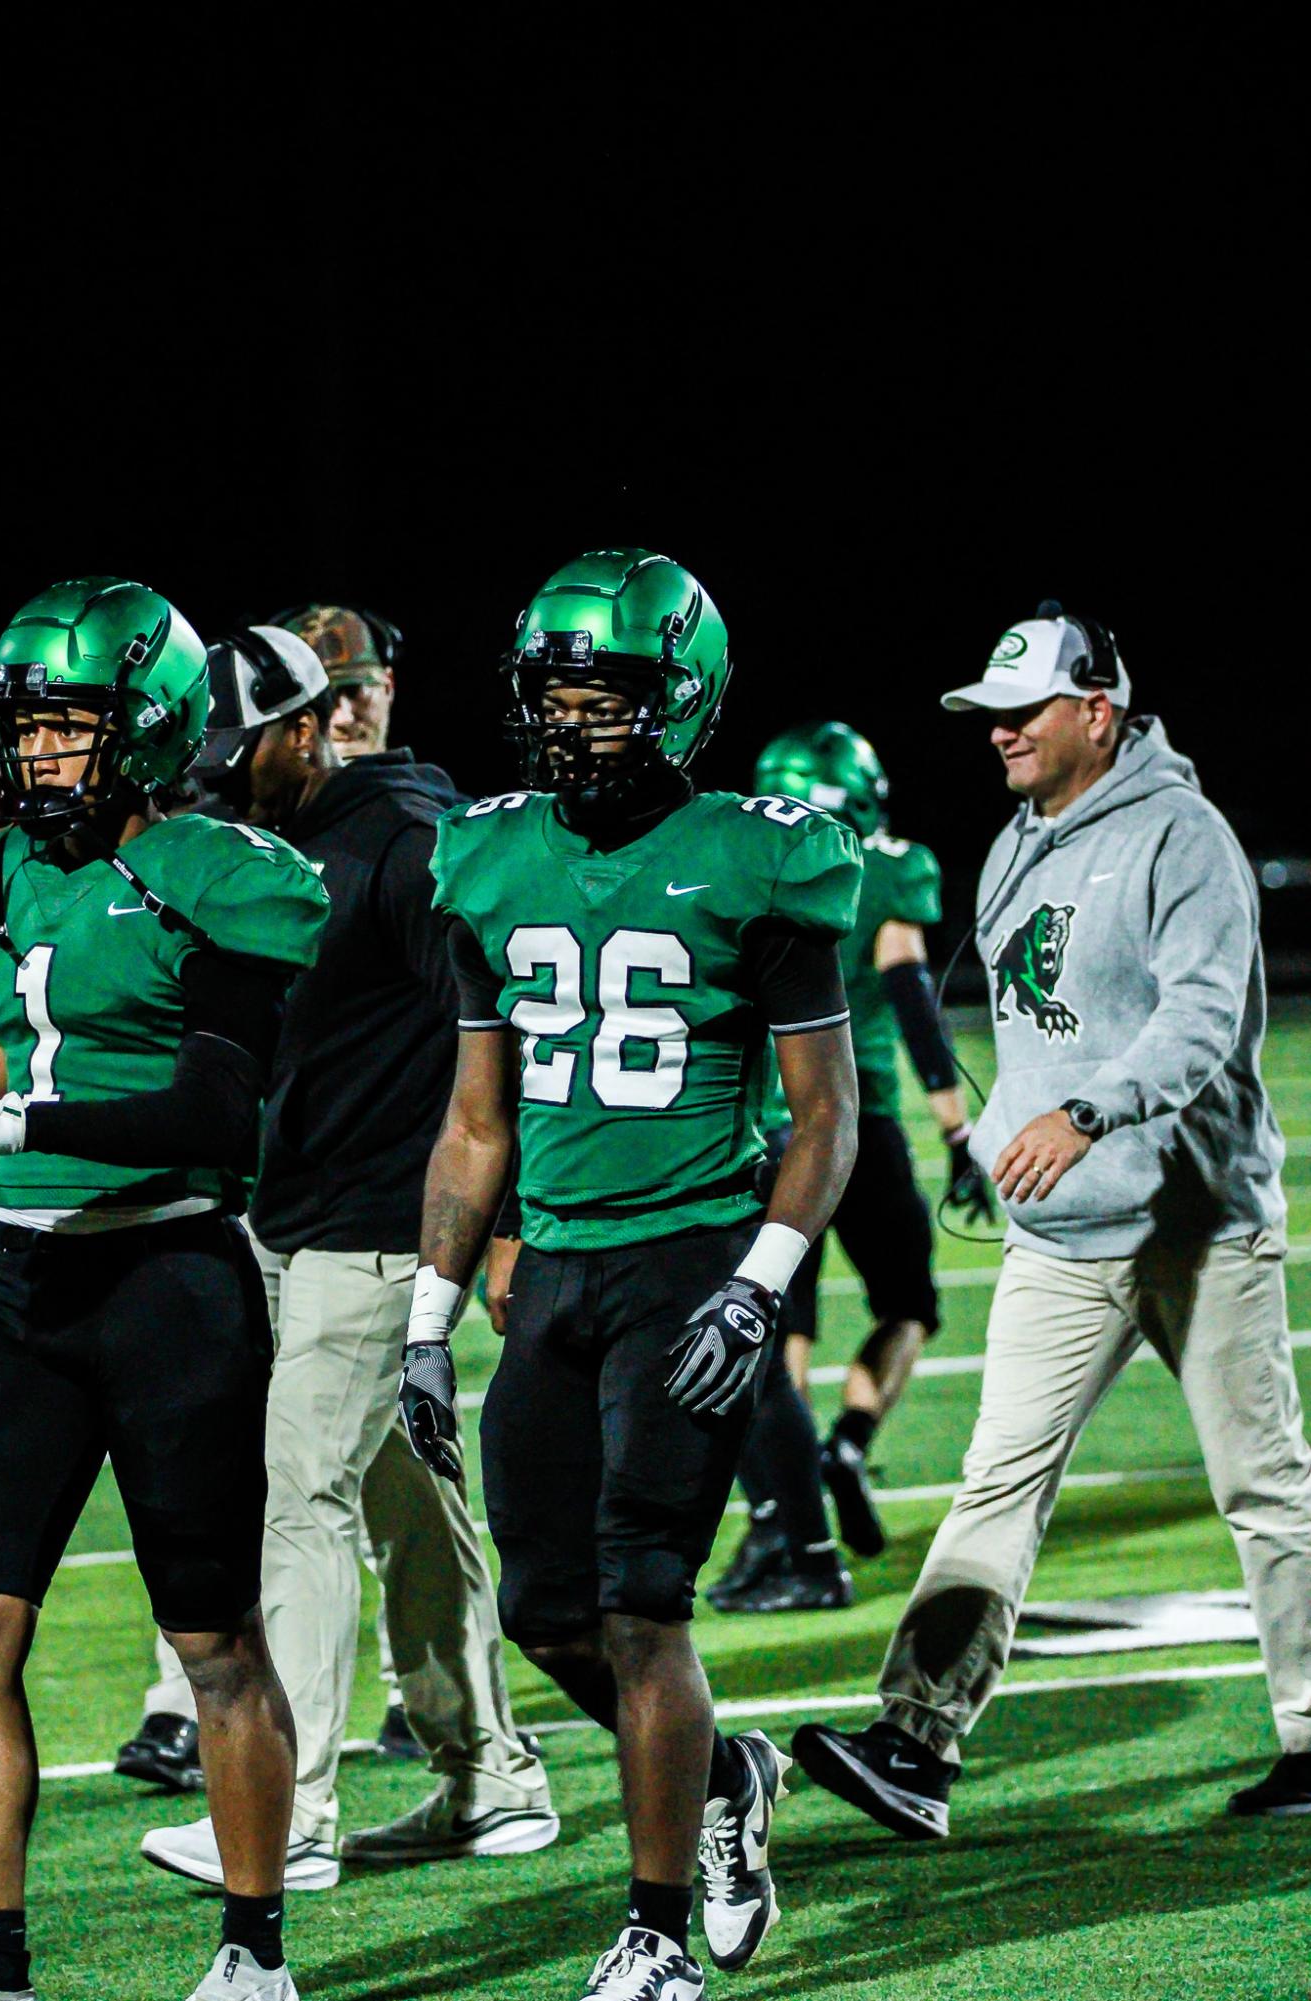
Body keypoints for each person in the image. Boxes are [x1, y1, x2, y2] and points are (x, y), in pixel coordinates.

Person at [395, 548, 863, 2001]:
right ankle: (726, 1773)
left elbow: (825, 1111)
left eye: (611, 694)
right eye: (558, 694)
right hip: (555, 1271)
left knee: (641, 1600)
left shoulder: (759, 850)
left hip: (688, 1256)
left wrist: (761, 1278)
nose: (578, 721)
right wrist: (425, 1320)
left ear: (684, 702)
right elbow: (478, 1120)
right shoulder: (486, 852)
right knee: (541, 1609)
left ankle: (657, 1931)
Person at [794, 602, 1311, 1834]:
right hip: (1062, 1241)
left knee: (1260, 1487)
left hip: (1195, 1228)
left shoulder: (1181, 837)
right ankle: (915, 1741)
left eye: (1020, 712)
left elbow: (1199, 1018)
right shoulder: (1019, 834)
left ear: (1098, 710)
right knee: (993, 1486)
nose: (998, 733)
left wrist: (1085, 1111)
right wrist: (987, 1133)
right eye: (988, 715)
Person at [128, 628, 554, 1892]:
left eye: (235, 750)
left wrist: (506, 1224)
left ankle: (291, 1810)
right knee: (402, 1495)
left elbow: (503, 1027)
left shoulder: (406, 840)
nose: (211, 775)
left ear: (308, 729)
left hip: (380, 1219)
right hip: (289, 1208)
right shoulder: (276, 834)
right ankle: (489, 1777)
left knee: (294, 1485)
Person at [0, 579, 329, 2001]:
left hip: (170, 1277)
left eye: (67, 725)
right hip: (26, 1281)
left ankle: (253, 1953)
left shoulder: (224, 867)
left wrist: (11, 1133)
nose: (38, 755)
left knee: (212, 1642)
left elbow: (211, 1111)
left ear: (147, 730)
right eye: (27, 727)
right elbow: (7, 1052)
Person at [710, 723, 991, 1612]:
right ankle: (849, 1444)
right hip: (858, 1116)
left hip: (765, 1128)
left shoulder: (740, 860)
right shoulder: (888, 864)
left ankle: (784, 1515)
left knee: (778, 1323)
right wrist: (956, 1132)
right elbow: (910, 998)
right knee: (907, 1306)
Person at [270, 603, 399, 760]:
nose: (343, 718)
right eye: (321, 701)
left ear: (388, 687)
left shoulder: (427, 782)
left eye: (355, 691)